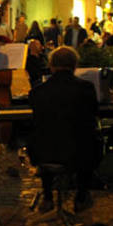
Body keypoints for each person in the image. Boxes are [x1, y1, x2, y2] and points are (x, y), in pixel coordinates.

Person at [27, 46, 100, 213]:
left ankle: (47, 197)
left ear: (51, 66)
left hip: (43, 152)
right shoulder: (86, 88)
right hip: (77, 153)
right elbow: (94, 113)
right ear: (75, 66)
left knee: (46, 135)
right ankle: (81, 196)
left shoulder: (38, 91)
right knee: (88, 139)